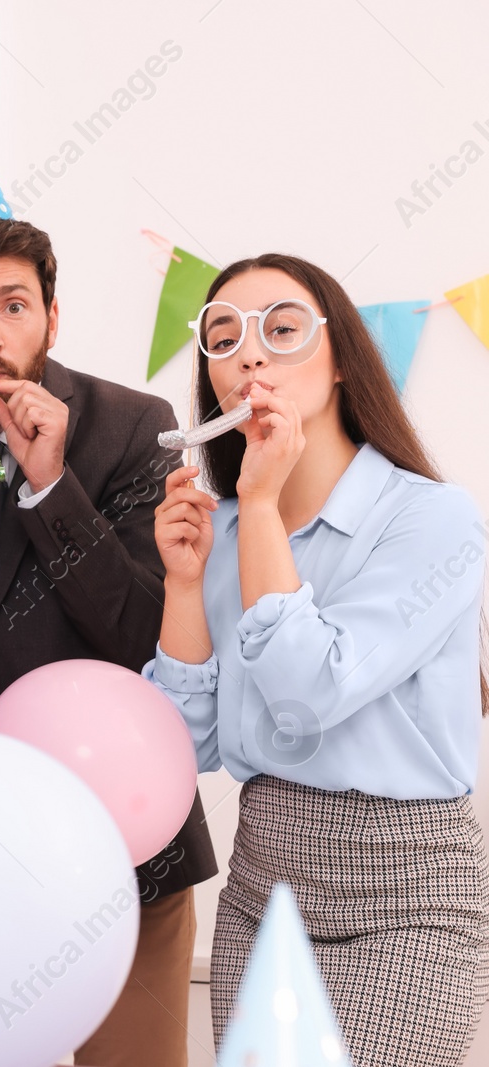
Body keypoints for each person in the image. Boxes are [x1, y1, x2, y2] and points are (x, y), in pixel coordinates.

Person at [148, 252, 489, 1066]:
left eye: (283, 329)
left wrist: (261, 504)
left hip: (408, 895)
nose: (251, 354)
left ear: (342, 360)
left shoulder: (434, 520)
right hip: (264, 883)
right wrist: (186, 585)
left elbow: (309, 689)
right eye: (223, 337)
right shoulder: (221, 529)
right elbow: (184, 744)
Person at [0, 213, 216, 1067]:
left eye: (14, 305)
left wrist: (51, 484)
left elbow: (146, 636)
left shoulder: (131, 425)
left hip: (126, 850)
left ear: (53, 316)